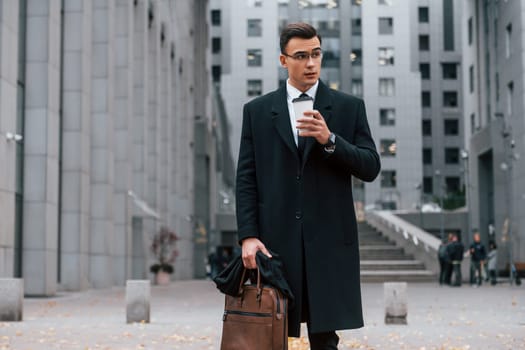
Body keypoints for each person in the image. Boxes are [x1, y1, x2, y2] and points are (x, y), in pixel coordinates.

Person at [235, 22, 380, 349]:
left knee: (325, 340)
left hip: (329, 241)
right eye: (301, 56)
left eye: (316, 54)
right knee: (269, 334)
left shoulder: (348, 107)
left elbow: (371, 167)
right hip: (276, 242)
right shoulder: (257, 112)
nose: (311, 63)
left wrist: (330, 141)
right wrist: (247, 235)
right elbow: (246, 179)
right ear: (283, 60)